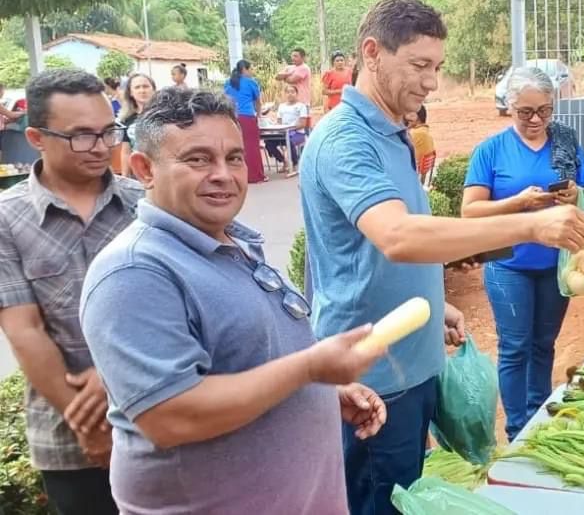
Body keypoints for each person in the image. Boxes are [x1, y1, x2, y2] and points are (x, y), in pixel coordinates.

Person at [300, 0, 584, 515]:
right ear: (372, 53)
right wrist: (530, 223)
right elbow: (398, 236)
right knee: (382, 503)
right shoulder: (345, 140)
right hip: (372, 384)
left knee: (410, 493)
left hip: (411, 362)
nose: (432, 82)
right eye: (419, 65)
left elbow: (394, 249)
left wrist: (435, 301)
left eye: (436, 67)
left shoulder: (395, 134)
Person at [80, 87, 387, 514]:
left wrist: (317, 392)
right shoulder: (135, 272)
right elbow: (171, 415)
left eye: (234, 157)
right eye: (198, 159)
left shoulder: (230, 242)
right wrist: (310, 370)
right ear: (144, 169)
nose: (223, 174)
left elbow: (247, 362)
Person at [0, 69, 143, 515]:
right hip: (66, 434)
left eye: (107, 131)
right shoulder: (7, 219)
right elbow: (25, 330)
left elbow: (178, 308)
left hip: (156, 413)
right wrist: (89, 426)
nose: (101, 147)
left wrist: (112, 374)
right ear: (36, 137)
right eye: (81, 136)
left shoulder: (146, 205)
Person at [461, 67, 584, 441]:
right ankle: (517, 427)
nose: (536, 119)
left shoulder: (566, 143)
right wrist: (519, 202)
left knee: (543, 343)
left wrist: (574, 196)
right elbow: (469, 210)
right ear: (509, 107)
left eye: (545, 110)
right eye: (525, 112)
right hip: (508, 263)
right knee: (515, 346)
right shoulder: (491, 150)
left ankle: (538, 418)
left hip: (557, 263)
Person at [223, 59, 267, 184]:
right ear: (245, 69)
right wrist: (259, 114)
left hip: (231, 117)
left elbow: (225, 99)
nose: (251, 72)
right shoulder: (251, 82)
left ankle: (235, 175)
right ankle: (255, 175)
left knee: (234, 147)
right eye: (250, 69)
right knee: (252, 147)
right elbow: (257, 101)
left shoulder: (228, 82)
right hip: (247, 117)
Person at [118, 73, 156, 177]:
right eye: (137, 87)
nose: (142, 90)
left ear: (153, 89)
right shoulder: (127, 119)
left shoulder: (164, 115)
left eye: (146, 86)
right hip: (138, 174)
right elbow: (126, 151)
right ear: (131, 92)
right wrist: (124, 177)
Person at [268, 84, 309, 172]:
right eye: (288, 92)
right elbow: (279, 122)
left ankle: (294, 164)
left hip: (297, 133)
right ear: (285, 94)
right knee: (269, 143)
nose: (290, 94)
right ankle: (284, 162)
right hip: (283, 133)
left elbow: (303, 123)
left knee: (289, 142)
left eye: (292, 92)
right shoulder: (281, 106)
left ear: (296, 94)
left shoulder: (301, 106)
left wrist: (291, 128)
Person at [405, 105, 435, 179]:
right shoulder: (424, 131)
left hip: (411, 175)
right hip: (420, 176)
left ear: (417, 116)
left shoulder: (415, 133)